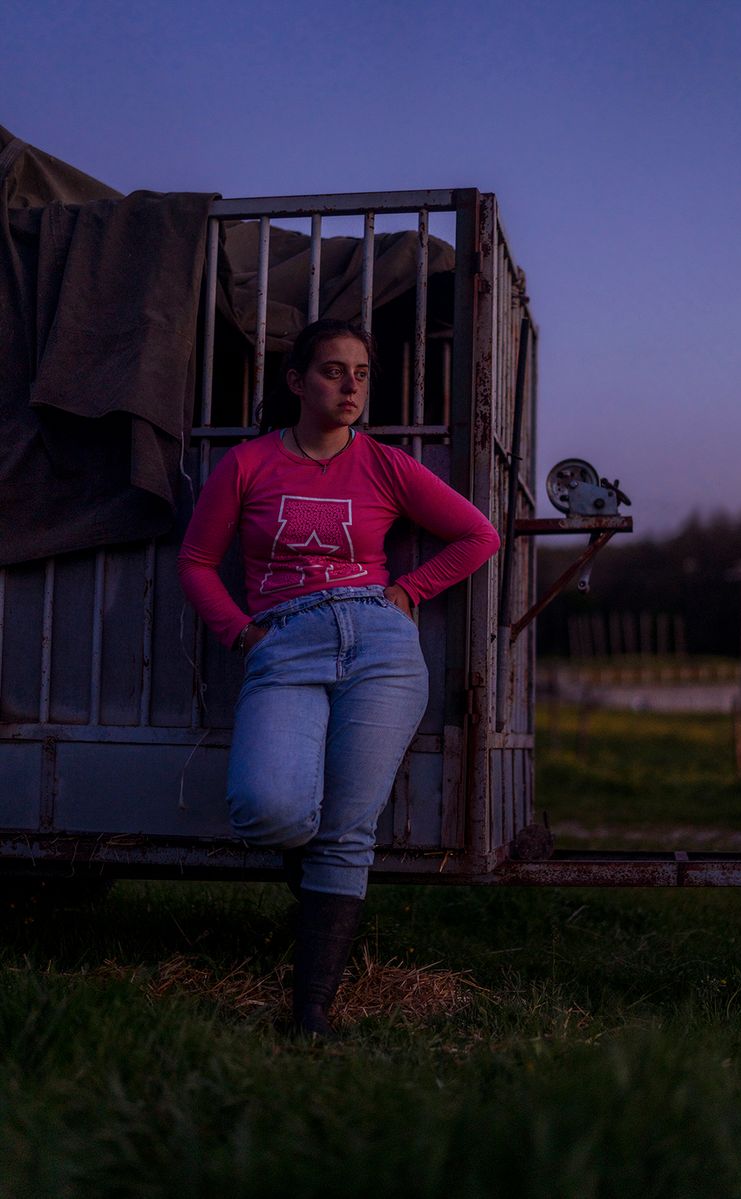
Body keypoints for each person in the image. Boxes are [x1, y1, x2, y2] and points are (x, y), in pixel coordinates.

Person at [178, 319, 500, 1037]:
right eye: (331, 370)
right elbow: (196, 562)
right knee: (270, 809)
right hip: (285, 642)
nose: (349, 385)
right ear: (296, 381)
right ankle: (314, 907)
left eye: (359, 371)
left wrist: (410, 590)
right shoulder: (248, 465)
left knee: (348, 832)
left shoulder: (385, 463)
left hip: (379, 644)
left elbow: (480, 534)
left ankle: (311, 1013)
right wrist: (243, 632)